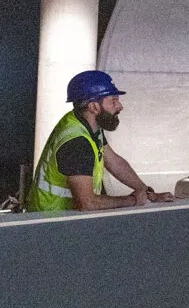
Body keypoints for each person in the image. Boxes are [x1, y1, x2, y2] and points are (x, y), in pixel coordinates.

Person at [28, 70, 174, 212]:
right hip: (51, 222)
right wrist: (132, 200)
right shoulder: (78, 143)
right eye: (113, 101)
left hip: (62, 221)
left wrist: (146, 192)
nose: (120, 106)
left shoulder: (86, 125)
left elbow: (114, 162)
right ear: (94, 106)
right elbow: (87, 203)